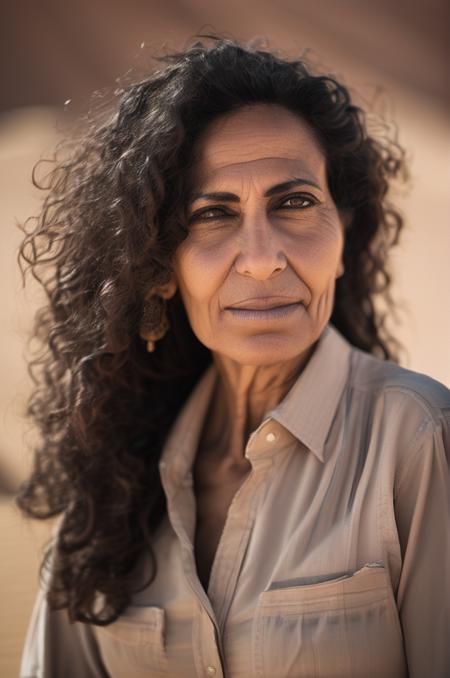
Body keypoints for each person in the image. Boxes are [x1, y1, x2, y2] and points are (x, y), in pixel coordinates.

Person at [18, 36, 449, 678]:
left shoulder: (418, 440)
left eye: (295, 203)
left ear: (344, 233)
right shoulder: (111, 484)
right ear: (159, 268)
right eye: (213, 215)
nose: (262, 256)